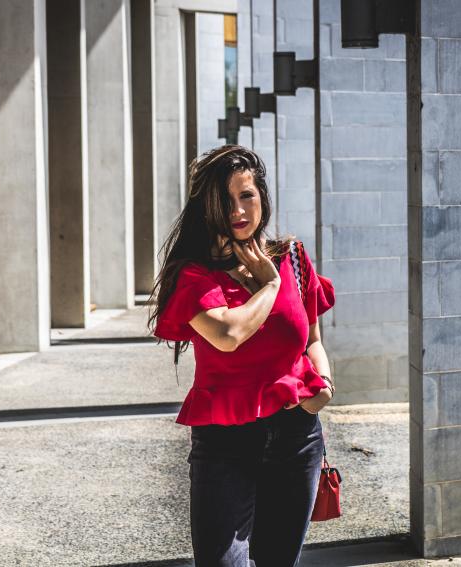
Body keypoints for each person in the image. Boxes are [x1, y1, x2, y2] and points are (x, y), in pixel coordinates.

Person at [147, 145, 336, 567]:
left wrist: (323, 386)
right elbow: (228, 333)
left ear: (262, 197)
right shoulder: (195, 274)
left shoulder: (292, 258)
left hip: (297, 435)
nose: (238, 210)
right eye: (225, 200)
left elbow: (311, 340)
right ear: (206, 208)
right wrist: (269, 287)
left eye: (246, 195)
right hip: (225, 442)